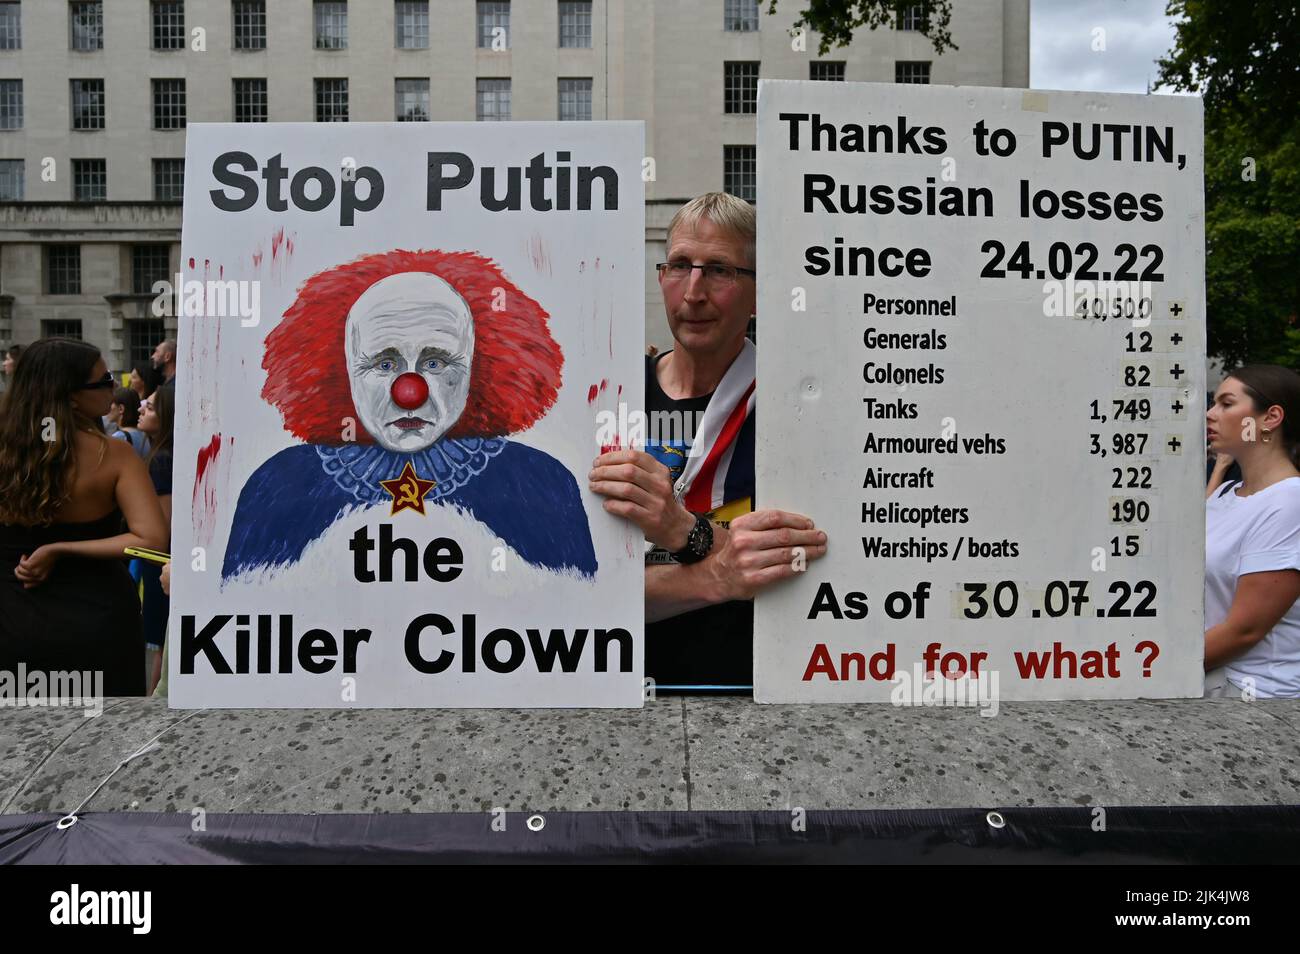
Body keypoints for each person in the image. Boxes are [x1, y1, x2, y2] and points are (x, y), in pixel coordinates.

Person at [221, 250, 595, 582]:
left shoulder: (540, 482)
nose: (410, 391)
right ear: (346, 370)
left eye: (435, 361)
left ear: (475, 365)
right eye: (384, 363)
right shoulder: (280, 485)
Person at [590, 192, 827, 689]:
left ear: (760, 293)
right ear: (661, 277)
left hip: (744, 697)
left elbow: (796, 567)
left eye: (720, 271)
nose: (693, 292)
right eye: (679, 266)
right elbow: (579, 584)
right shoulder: (606, 396)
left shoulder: (798, 409)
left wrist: (681, 530)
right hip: (618, 695)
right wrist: (714, 573)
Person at [0, 338, 167, 696]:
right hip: (97, 623)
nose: (114, 385)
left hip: (12, 622)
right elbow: (151, 540)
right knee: (107, 742)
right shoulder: (115, 456)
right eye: (104, 379)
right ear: (71, 394)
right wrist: (63, 548)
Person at [1204, 365, 1300, 698]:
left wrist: (1147, 665)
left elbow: (1244, 631)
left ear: (1270, 418)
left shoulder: (1290, 500)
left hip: (1256, 699)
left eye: (1226, 404)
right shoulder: (1222, 495)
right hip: (1206, 683)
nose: (1210, 414)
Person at [137, 387, 174, 693]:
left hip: (162, 563)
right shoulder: (166, 455)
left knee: (161, 643)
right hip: (166, 561)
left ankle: (155, 706)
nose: (141, 411)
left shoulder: (160, 460)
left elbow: (163, 527)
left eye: (149, 408)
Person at [106, 387, 150, 458]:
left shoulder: (119, 437)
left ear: (121, 409)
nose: (107, 407)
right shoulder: (145, 435)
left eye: (110, 403)